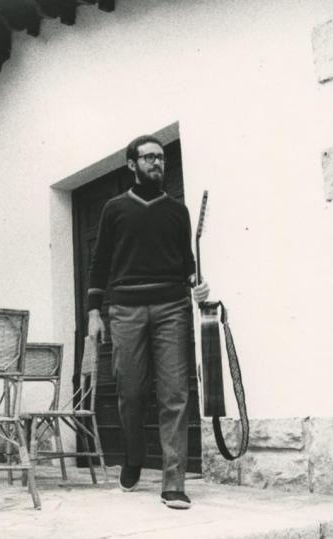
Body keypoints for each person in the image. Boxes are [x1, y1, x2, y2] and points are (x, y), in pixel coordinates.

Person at [86, 134, 209, 509]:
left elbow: (187, 263)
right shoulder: (114, 208)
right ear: (132, 164)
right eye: (149, 157)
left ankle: (174, 482)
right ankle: (134, 457)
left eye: (161, 157)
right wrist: (94, 311)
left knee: (175, 394)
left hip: (172, 307)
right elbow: (100, 261)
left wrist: (197, 283)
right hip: (125, 309)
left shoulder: (177, 211)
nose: (157, 163)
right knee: (131, 392)